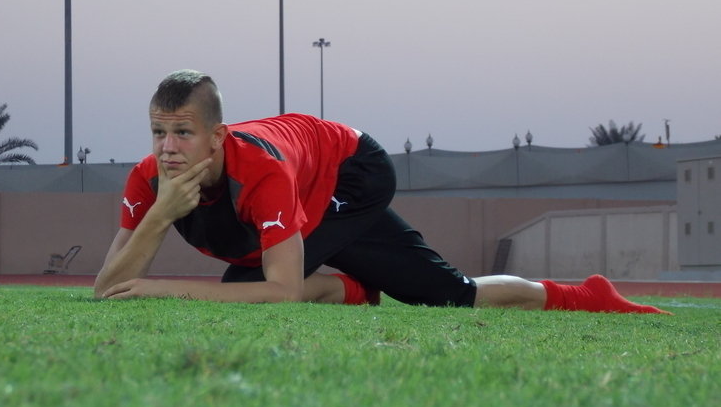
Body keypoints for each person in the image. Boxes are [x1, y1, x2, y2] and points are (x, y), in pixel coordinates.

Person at [94, 69, 669, 315]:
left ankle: (584, 295)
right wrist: (159, 216)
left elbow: (281, 292)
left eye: (183, 133)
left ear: (216, 137)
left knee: (253, 284)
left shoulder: (260, 173)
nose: (168, 148)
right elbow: (106, 288)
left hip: (350, 172)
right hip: (307, 184)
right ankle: (350, 287)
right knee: (248, 280)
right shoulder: (148, 177)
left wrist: (155, 287)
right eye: (159, 132)